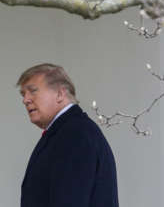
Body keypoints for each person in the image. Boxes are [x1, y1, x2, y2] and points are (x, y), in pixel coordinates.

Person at [17, 63, 119, 207]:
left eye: (33, 91)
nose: (25, 100)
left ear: (60, 94)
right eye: (23, 94)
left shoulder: (75, 134)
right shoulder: (67, 132)